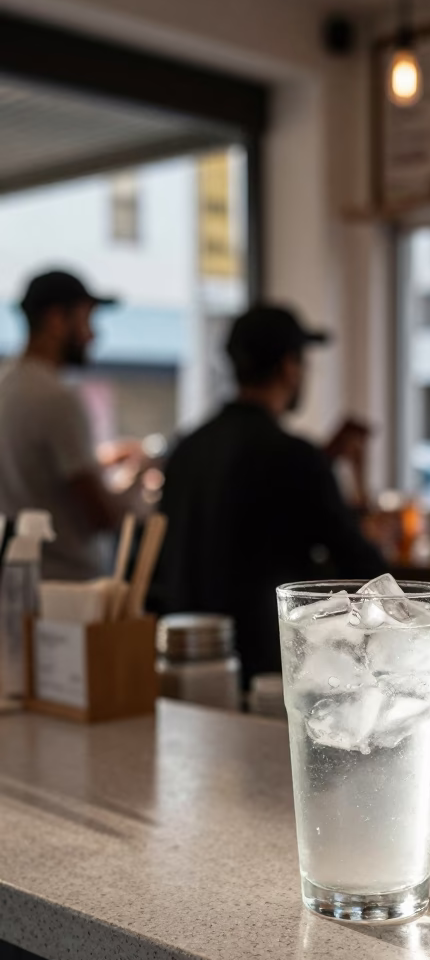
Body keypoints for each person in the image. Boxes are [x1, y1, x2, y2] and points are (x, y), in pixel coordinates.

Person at [159, 303, 384, 681]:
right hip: (270, 669)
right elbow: (362, 567)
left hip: (189, 662)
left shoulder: (186, 448)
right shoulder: (294, 455)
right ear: (288, 367)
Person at [0, 270, 136, 579]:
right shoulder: (57, 397)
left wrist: (102, 462)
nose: (92, 336)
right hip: (67, 588)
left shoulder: (7, 384)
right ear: (56, 319)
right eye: (86, 320)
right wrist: (134, 486)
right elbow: (100, 514)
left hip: (17, 583)